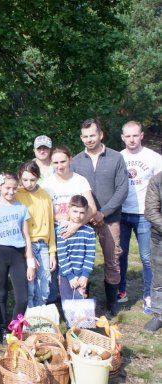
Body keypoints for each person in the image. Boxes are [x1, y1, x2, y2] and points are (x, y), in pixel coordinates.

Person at [71, 118, 128, 316]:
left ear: (101, 134)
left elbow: (122, 189)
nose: (89, 139)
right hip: (82, 219)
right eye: (85, 136)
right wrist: (85, 215)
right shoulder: (76, 161)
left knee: (112, 258)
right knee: (79, 258)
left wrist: (103, 213)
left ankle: (112, 301)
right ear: (81, 137)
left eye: (92, 135)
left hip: (109, 218)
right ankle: (80, 298)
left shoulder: (115, 158)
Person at [0, 172, 35, 343]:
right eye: (7, 188)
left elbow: (26, 235)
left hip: (17, 254)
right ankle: (2, 327)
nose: (11, 191)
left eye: (14, 188)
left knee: (22, 297)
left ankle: (15, 328)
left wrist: (30, 261)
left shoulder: (21, 208)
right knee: (1, 293)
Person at [41, 146, 97, 304]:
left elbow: (92, 208)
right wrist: (61, 219)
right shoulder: (47, 183)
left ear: (70, 160)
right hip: (56, 229)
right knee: (54, 265)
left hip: (79, 228)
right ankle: (52, 301)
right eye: (56, 162)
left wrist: (76, 226)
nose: (60, 165)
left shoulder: (80, 180)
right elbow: (45, 210)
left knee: (77, 262)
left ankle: (78, 297)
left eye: (63, 161)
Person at [118, 121, 162, 312]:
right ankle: (121, 291)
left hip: (145, 215)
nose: (132, 139)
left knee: (146, 257)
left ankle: (148, 296)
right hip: (121, 213)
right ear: (122, 137)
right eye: (128, 136)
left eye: (135, 135)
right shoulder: (117, 158)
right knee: (121, 255)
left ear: (142, 135)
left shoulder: (154, 158)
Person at [16, 160, 57, 307]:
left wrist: (52, 252)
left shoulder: (45, 195)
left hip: (43, 245)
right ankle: (29, 319)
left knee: (44, 284)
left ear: (38, 178)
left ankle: (41, 316)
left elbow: (51, 225)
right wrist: (28, 254)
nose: (29, 183)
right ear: (20, 178)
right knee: (30, 286)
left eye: (32, 180)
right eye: (25, 179)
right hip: (26, 245)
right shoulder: (17, 195)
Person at [57, 195, 96, 301]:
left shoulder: (89, 232)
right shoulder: (62, 230)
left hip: (82, 275)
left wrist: (85, 275)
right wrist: (70, 276)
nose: (78, 215)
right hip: (66, 275)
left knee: (81, 302)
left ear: (87, 212)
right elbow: (62, 256)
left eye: (82, 212)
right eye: (75, 211)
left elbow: (90, 255)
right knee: (68, 302)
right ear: (68, 209)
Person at [143, 171, 162, 332]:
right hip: (160, 238)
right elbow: (150, 211)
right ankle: (159, 314)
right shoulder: (157, 180)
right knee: (159, 278)